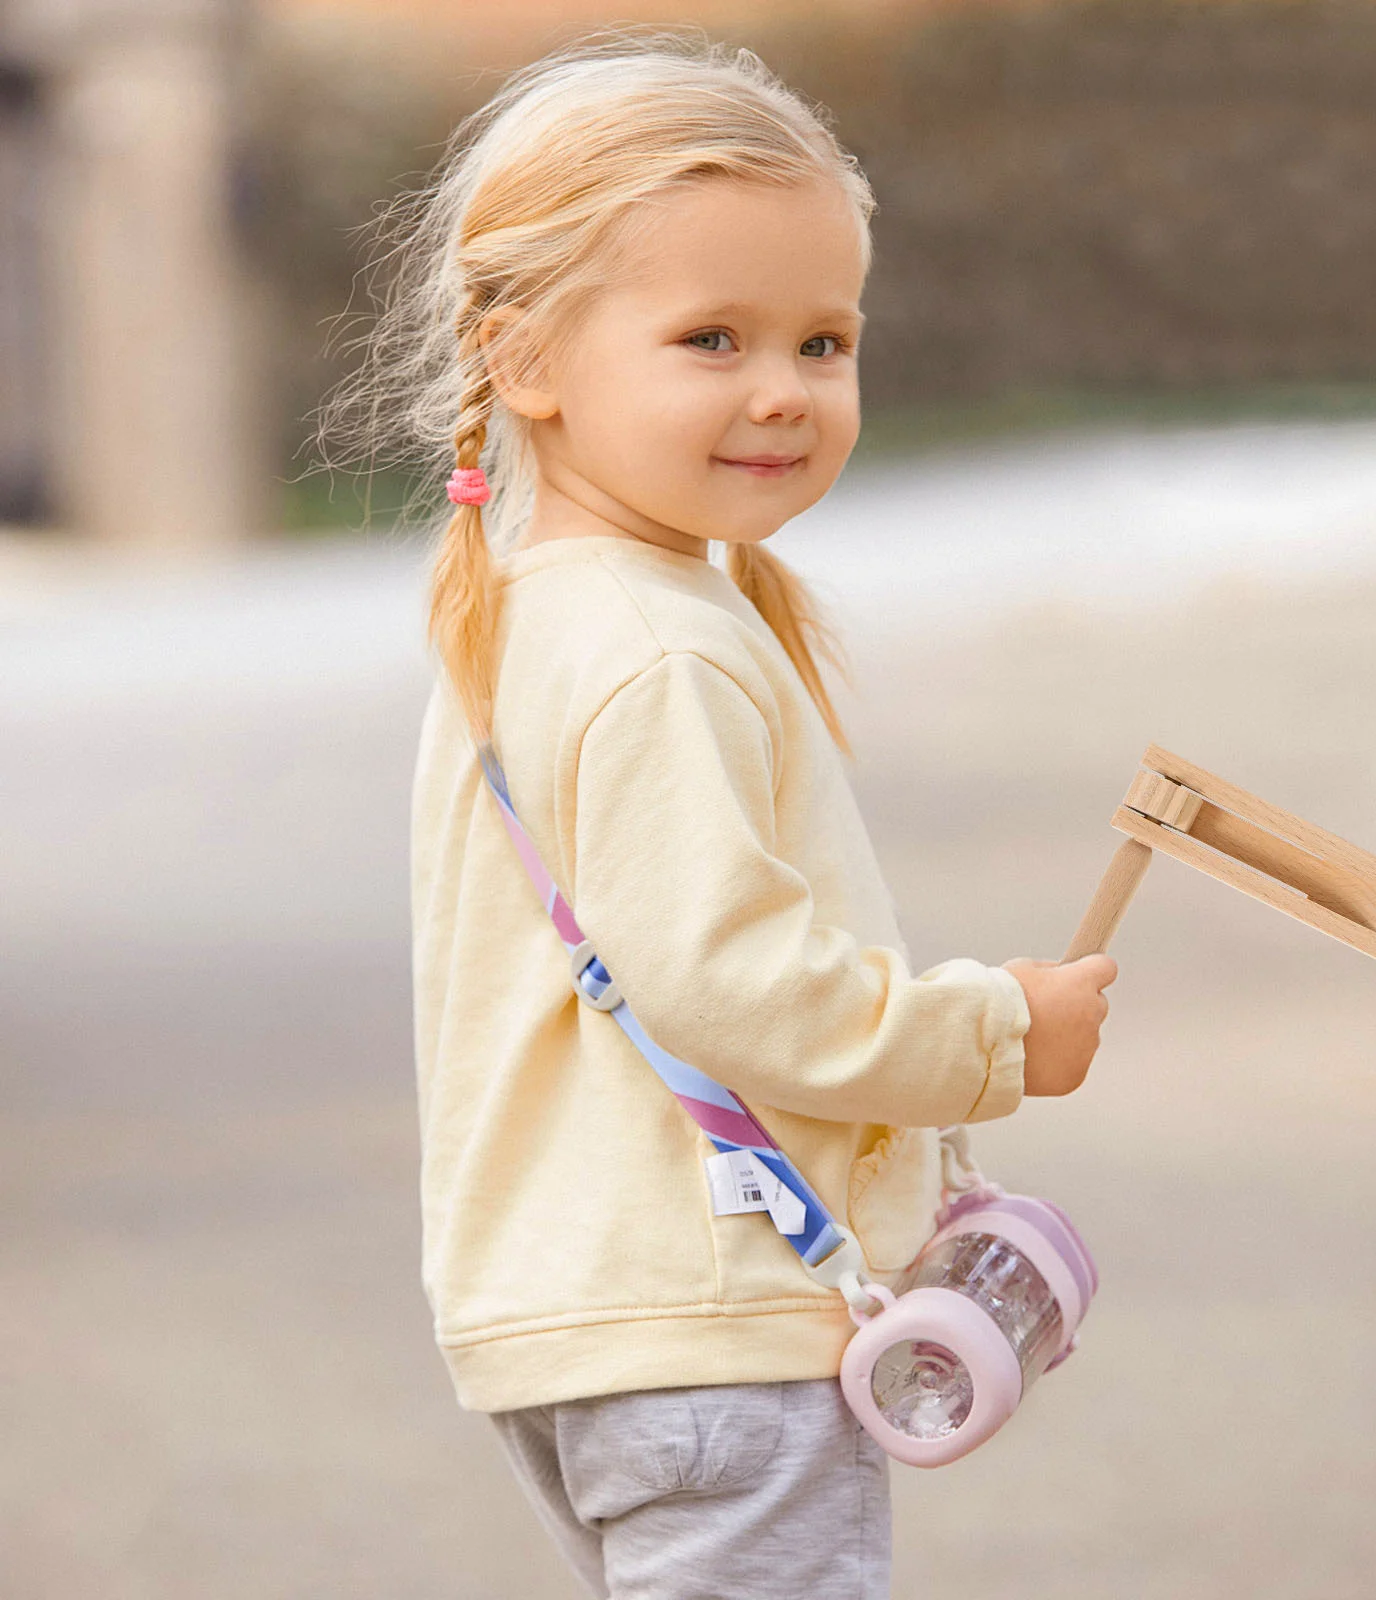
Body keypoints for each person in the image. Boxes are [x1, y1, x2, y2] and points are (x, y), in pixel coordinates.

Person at [320, 25, 1117, 1600]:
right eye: (712, 340)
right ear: (523, 359)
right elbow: (727, 975)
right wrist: (996, 1033)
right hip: (714, 1324)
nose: (784, 391)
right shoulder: (656, 644)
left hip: (582, 1314)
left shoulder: (544, 612)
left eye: (825, 343)